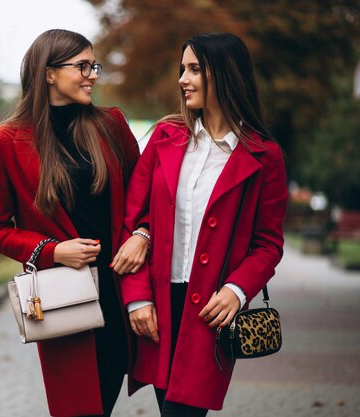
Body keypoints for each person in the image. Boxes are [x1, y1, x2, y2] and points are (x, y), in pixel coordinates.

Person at [112, 33, 288, 416]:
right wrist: (137, 298)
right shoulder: (164, 139)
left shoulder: (264, 156)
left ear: (224, 75)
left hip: (211, 311)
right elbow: (133, 222)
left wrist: (237, 290)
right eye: (182, 69)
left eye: (194, 69)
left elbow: (268, 243)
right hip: (157, 305)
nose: (182, 79)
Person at [0, 29, 147, 416]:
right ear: (49, 73)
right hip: (65, 298)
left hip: (124, 291)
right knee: (79, 406)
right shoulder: (5, 140)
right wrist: (54, 251)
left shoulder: (111, 124)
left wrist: (142, 234)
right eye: (82, 66)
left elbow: (146, 199)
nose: (92, 74)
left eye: (95, 66)